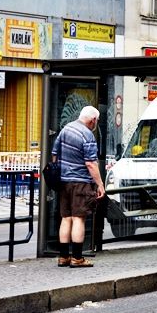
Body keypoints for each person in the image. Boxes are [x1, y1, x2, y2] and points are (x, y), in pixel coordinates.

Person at [51, 106, 105, 268]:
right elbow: (90, 163)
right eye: (97, 121)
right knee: (78, 219)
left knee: (66, 219)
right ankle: (77, 258)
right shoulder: (87, 135)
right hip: (81, 183)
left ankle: (63, 257)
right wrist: (100, 184)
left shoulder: (66, 129)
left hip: (64, 182)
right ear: (93, 120)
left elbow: (54, 154)